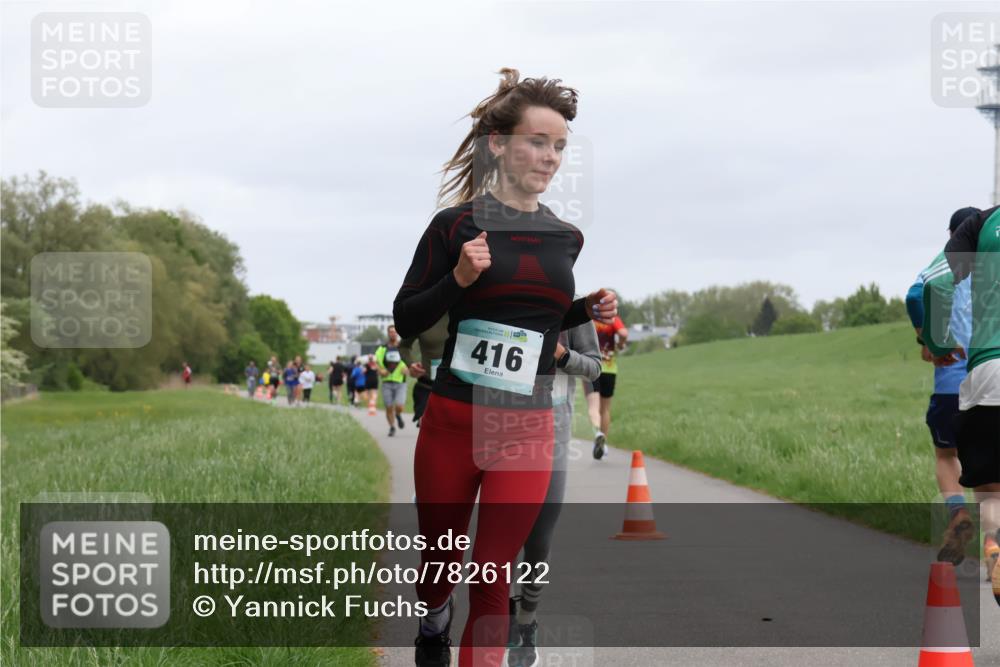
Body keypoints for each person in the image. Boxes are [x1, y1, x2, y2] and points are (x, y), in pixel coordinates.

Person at [393, 67, 618, 667]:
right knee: (439, 561)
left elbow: (535, 321)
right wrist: (458, 278)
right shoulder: (454, 226)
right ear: (499, 144)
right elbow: (408, 315)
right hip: (452, 421)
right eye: (538, 142)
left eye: (560, 147)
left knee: (492, 575)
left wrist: (582, 308)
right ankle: (433, 621)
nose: (550, 158)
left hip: (525, 427)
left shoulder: (566, 237)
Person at [508, 320, 600, 667]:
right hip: (499, 429)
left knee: (539, 539)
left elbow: (594, 366)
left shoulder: (574, 306)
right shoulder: (501, 293)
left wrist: (561, 355)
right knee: (500, 537)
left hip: (553, 433)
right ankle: (499, 611)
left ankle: (527, 618)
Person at [924, 205, 1000, 603]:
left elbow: (934, 285)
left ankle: (995, 546)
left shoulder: (982, 223)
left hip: (988, 373)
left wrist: (936, 344)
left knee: (990, 488)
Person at [905, 207, 977, 564]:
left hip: (952, 383)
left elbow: (916, 296)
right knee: (989, 471)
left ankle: (958, 514)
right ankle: (994, 549)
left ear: (952, 235)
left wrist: (928, 341)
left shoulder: (945, 261)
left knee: (947, 456)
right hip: (992, 379)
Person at [399, 315, 449, 428]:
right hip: (428, 386)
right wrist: (411, 364)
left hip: (457, 386)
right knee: (428, 427)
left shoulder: (464, 311)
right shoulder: (423, 315)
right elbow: (403, 346)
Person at [592, 314, 628, 459]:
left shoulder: (591, 318)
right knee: (605, 409)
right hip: (609, 368)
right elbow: (623, 333)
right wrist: (620, 344)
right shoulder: (613, 319)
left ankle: (596, 433)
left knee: (593, 406)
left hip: (592, 368)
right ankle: (602, 440)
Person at [376, 325, 410, 436]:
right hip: (387, 382)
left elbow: (409, 359)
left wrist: (407, 368)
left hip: (400, 382)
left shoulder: (402, 347)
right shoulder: (382, 348)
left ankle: (398, 415)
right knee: (389, 407)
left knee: (399, 406)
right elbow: (377, 363)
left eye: (395, 332)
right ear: (388, 333)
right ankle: (392, 427)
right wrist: (381, 371)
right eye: (391, 332)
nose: (393, 334)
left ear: (397, 333)